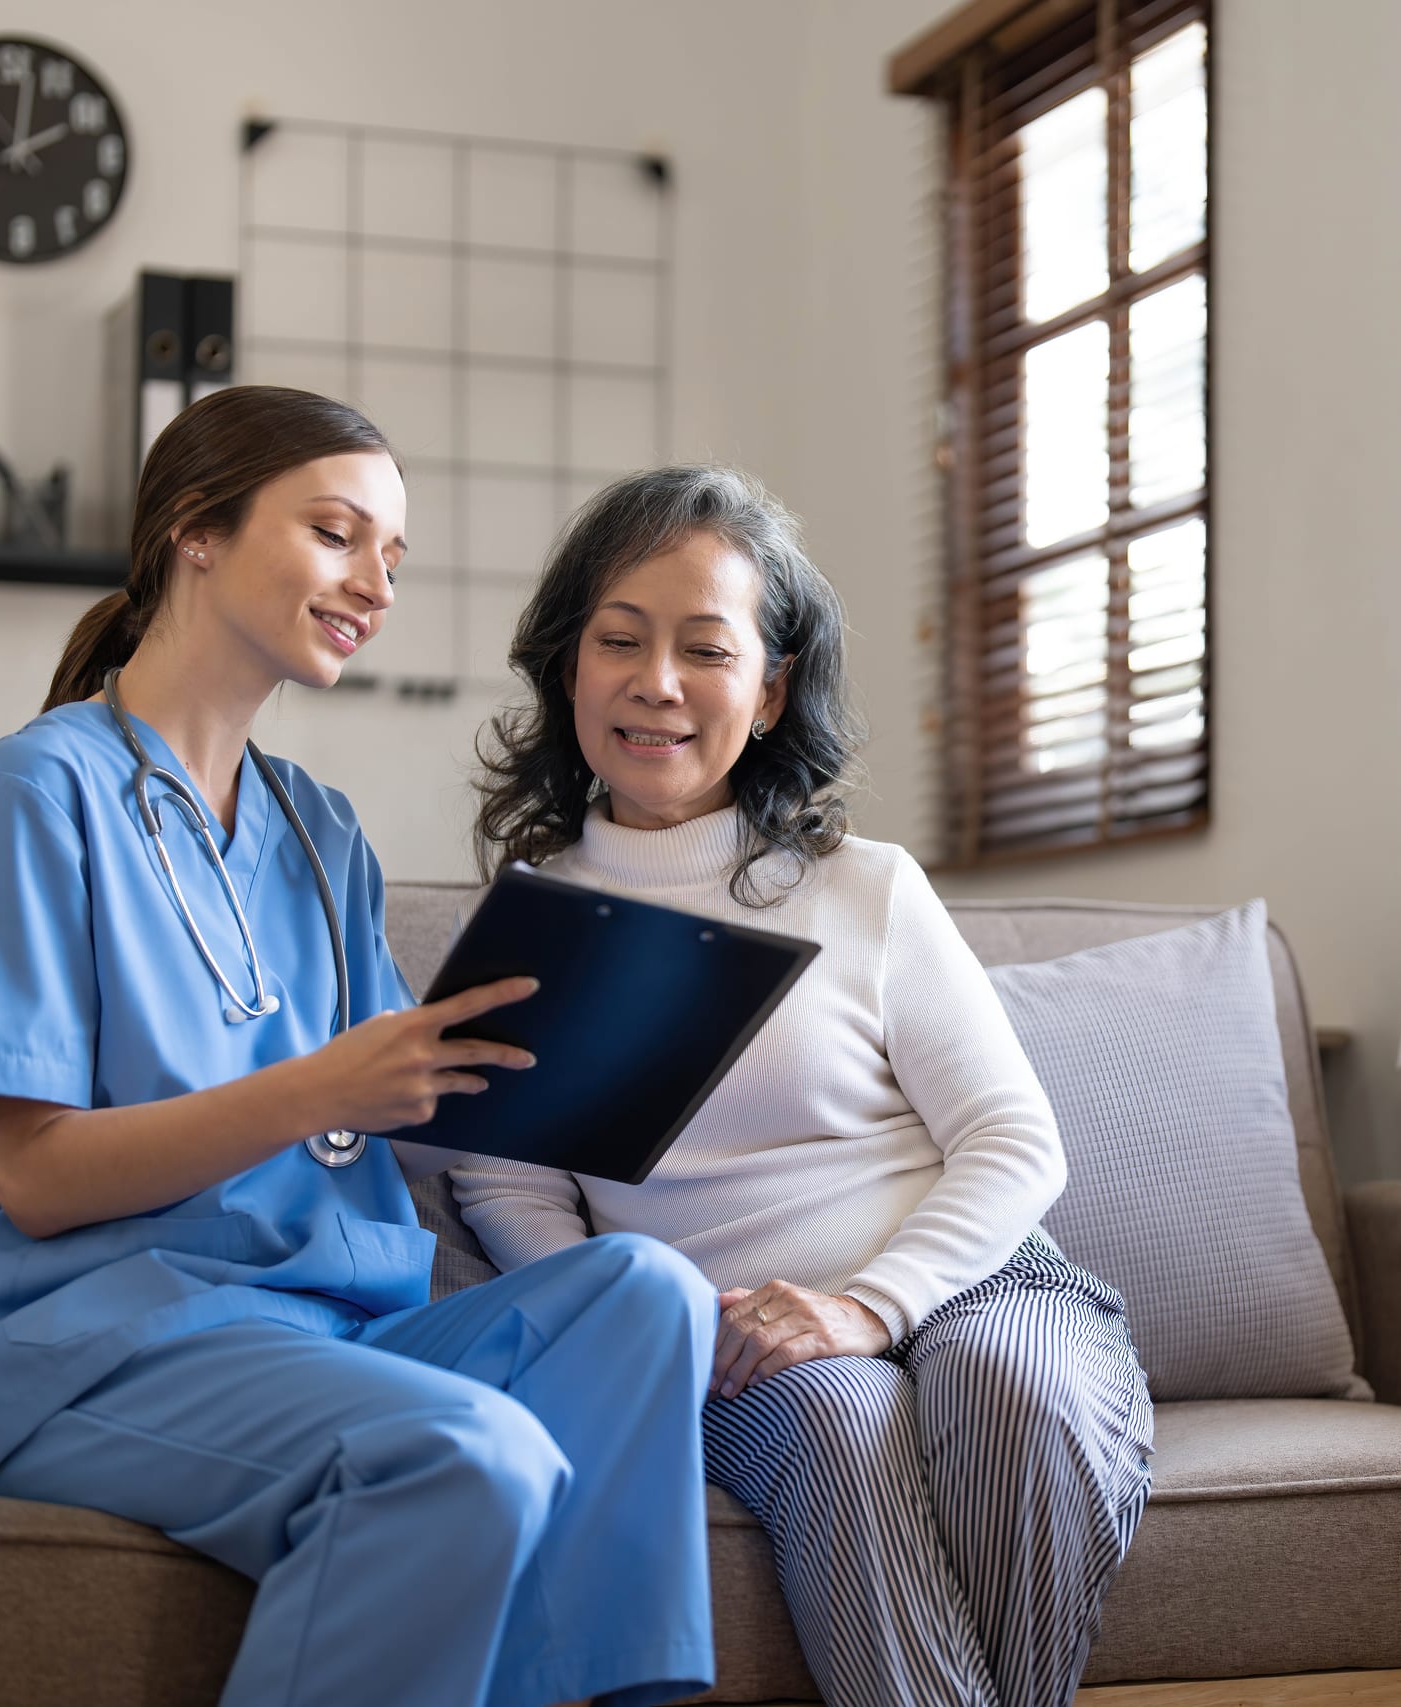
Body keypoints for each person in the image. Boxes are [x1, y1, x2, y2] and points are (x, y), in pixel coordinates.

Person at [0, 387, 717, 1707]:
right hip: (101, 1344)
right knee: (470, 1451)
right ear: (194, 532)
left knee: (645, 1289)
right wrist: (321, 1086)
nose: (373, 583)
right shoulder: (31, 796)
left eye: (393, 558)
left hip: (334, 1331)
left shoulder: (319, 828)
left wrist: (580, 1047)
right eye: (338, 534)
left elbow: (395, 1105)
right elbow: (38, 1175)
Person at [453, 465, 1154, 1707]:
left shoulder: (864, 888)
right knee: (839, 1427)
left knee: (1014, 1388)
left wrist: (870, 1306)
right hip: (733, 1348)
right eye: (618, 641)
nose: (655, 683)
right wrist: (655, 1320)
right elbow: (508, 1184)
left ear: (769, 690)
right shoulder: (539, 920)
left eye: (704, 650)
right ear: (569, 670)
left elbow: (1012, 1139)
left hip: (981, 1287)